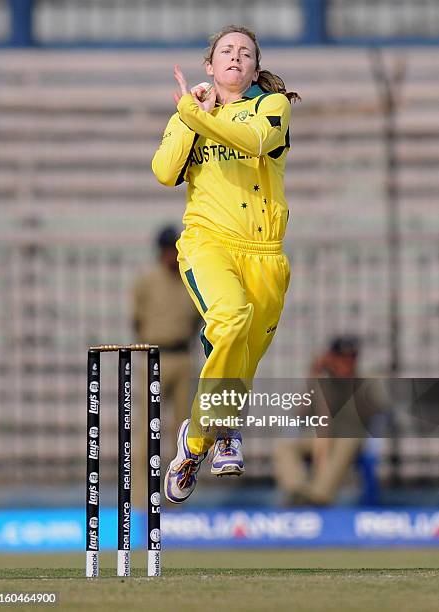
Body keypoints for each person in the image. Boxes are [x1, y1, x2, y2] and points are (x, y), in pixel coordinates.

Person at [151, 25, 299, 504]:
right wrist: (190, 118)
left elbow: (250, 141)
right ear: (209, 66)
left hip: (266, 256)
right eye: (226, 52)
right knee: (230, 317)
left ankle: (198, 442)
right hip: (208, 242)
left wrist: (196, 112)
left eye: (246, 53)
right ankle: (226, 428)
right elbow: (164, 171)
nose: (236, 57)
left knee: (241, 359)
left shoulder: (272, 108)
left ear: (255, 69)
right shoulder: (192, 114)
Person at [131, 225, 201, 507]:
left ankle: (177, 500)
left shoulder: (188, 278)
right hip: (154, 356)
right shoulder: (147, 281)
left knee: (184, 431)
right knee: (148, 429)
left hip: (183, 356)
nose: (173, 256)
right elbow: (137, 320)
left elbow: (198, 318)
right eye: (168, 251)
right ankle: (139, 500)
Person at [273, 335, 363, 506]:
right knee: (284, 445)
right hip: (322, 437)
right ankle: (297, 491)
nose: (346, 363)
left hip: (349, 439)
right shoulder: (323, 380)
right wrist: (313, 376)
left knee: (345, 443)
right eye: (342, 358)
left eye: (351, 358)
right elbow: (301, 413)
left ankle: (319, 497)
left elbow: (371, 414)